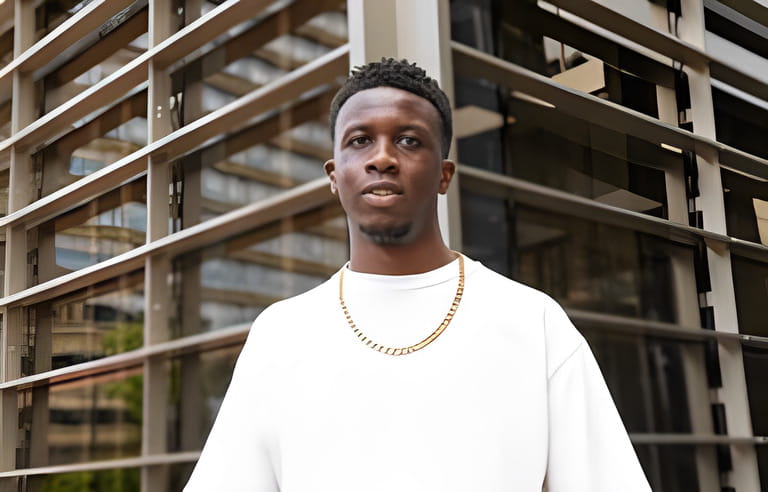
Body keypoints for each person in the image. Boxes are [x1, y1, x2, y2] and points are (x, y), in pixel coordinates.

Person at [184, 58, 652, 492]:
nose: (383, 157)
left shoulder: (533, 322)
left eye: (409, 140)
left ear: (444, 174)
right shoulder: (281, 335)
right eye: (359, 140)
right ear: (334, 174)